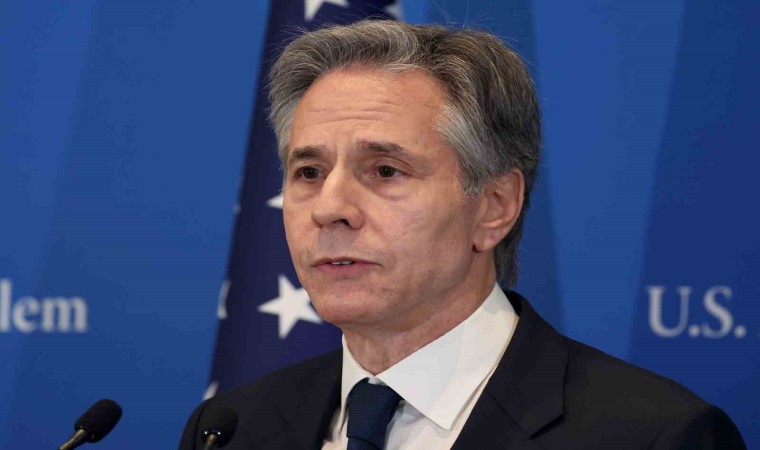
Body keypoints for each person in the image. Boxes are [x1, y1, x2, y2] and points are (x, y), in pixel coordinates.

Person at [179, 20, 746, 449]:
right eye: (308, 172)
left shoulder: (654, 436)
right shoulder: (231, 429)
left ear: (495, 207)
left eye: (385, 171)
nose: (329, 208)